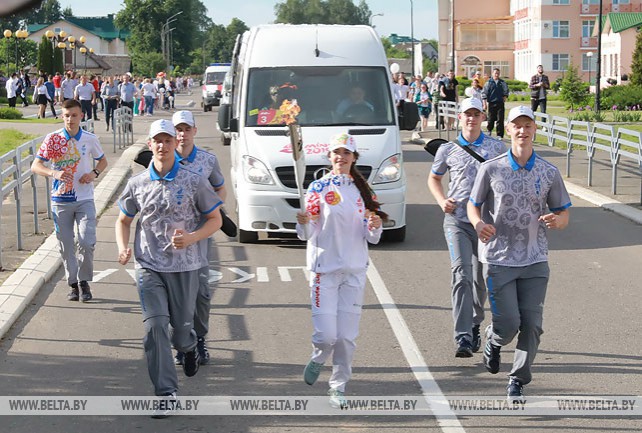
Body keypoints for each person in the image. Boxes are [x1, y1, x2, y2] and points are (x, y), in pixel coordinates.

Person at [115, 119, 223, 417]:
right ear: (150, 145)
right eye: (157, 141)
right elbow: (123, 220)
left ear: (176, 143)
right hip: (149, 266)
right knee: (155, 328)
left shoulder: (193, 180)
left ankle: (188, 348)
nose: (162, 146)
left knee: (180, 332)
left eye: (167, 140)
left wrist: (191, 238)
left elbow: (215, 220)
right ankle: (166, 393)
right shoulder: (137, 184)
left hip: (186, 267)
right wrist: (123, 246)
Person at [467, 105, 571, 399]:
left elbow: (563, 214)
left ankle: (518, 380)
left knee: (532, 325)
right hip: (498, 258)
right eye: (517, 125)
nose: (523, 131)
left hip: (535, 258)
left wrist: (557, 220)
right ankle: (495, 339)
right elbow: (473, 204)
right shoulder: (491, 168)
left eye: (528, 125)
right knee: (509, 324)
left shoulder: (548, 172)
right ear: (508, 129)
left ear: (535, 129)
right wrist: (477, 223)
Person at [296, 133, 385, 409]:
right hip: (325, 270)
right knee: (326, 337)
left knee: (346, 338)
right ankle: (318, 356)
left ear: (354, 158)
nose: (341, 157)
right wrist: (303, 221)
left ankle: (338, 386)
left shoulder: (363, 192)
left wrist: (374, 225)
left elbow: (372, 237)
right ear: (329, 157)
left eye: (346, 153)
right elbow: (307, 232)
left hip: (355, 271)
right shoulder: (318, 187)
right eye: (336, 152)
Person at [427, 98, 506, 359]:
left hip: (485, 224)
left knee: (480, 278)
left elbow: (507, 179)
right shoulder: (448, 149)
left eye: (475, 114)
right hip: (457, 220)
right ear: (459, 118)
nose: (471, 118)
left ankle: (474, 323)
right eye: (466, 114)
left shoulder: (496, 147)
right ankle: (462, 336)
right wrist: (442, 201)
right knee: (461, 273)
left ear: (483, 117)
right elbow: (434, 178)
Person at [31, 99, 108, 302]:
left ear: (81, 116)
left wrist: (93, 173)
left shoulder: (89, 139)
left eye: (74, 115)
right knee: (65, 245)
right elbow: (35, 165)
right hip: (60, 200)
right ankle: (73, 285)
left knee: (85, 241)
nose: (70, 119)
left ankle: (84, 281)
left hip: (84, 199)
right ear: (62, 116)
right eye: (66, 115)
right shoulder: (53, 139)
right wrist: (53, 173)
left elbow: (103, 160)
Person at [171, 110, 227, 367]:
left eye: (186, 129)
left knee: (202, 293)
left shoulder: (207, 160)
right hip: (171, 236)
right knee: (176, 295)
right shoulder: (163, 158)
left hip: (201, 234)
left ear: (195, 131)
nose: (182, 135)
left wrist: (213, 211)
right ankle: (183, 343)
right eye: (178, 130)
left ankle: (200, 338)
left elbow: (220, 188)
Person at [482, 68, 509, 139]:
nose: (496, 74)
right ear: (492, 73)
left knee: (500, 119)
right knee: (491, 118)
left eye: (498, 73)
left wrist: (504, 97)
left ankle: (499, 134)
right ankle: (489, 130)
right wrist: (484, 104)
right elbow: (484, 93)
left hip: (500, 103)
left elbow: (506, 91)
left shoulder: (502, 82)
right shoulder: (489, 83)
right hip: (491, 103)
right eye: (495, 73)